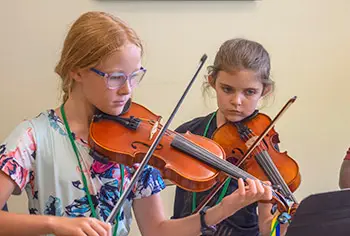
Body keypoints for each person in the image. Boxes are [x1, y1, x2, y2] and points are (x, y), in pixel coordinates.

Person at [0, 11, 273, 236]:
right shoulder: (33, 137)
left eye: (135, 76)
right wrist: (54, 224)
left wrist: (224, 209)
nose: (127, 89)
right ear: (77, 70)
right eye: (116, 77)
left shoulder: (136, 143)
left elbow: (157, 230)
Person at [172, 38, 289, 236]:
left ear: (265, 90)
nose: (236, 101)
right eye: (227, 89)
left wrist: (283, 225)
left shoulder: (261, 142)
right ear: (212, 82)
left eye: (249, 92)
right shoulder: (189, 133)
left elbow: (266, 227)